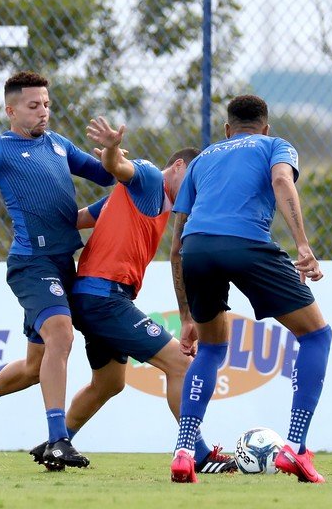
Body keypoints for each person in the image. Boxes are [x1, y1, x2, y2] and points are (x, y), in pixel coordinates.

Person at [26, 118, 236, 473]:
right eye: (194, 178)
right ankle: (196, 452)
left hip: (100, 297)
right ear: (180, 166)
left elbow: (77, 219)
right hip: (103, 298)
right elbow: (119, 167)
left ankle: (55, 443)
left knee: (109, 383)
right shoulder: (151, 178)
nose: (197, 189)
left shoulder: (141, 201)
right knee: (180, 364)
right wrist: (110, 150)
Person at [0, 71, 114, 470]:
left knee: (35, 367)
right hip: (32, 264)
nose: (43, 112)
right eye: (33, 106)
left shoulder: (59, 145)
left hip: (65, 263)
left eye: (46, 104)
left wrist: (114, 152)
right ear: (11, 110)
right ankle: (59, 440)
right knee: (61, 336)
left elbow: (106, 175)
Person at [168, 95, 331, 484]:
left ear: (227, 129)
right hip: (247, 245)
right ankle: (295, 447)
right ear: (265, 126)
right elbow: (280, 180)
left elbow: (175, 248)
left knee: (209, 348)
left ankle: (184, 451)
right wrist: (303, 245)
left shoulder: (203, 159)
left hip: (198, 248)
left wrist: (187, 315)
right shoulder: (275, 145)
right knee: (316, 335)